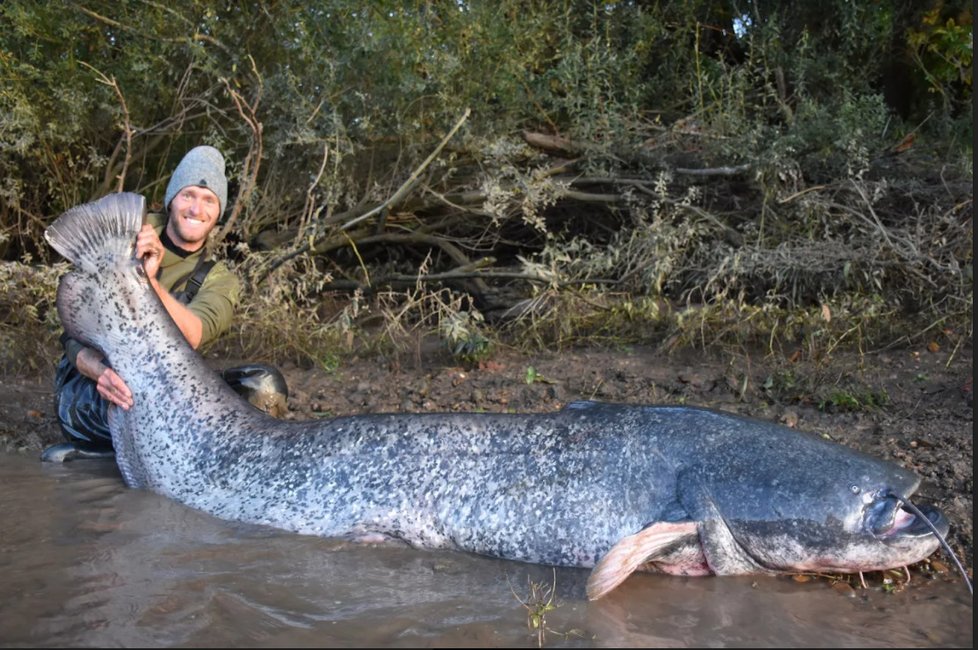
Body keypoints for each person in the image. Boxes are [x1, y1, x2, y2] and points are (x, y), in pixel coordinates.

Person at [42, 146, 287, 463]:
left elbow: (192, 335)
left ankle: (163, 460)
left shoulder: (221, 279)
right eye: (188, 195)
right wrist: (99, 371)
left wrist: (147, 281)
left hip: (165, 392)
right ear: (172, 199)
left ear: (218, 212)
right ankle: (128, 455)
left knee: (263, 385)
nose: (197, 208)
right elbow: (73, 333)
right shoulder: (127, 234)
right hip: (98, 392)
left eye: (209, 200)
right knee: (124, 398)